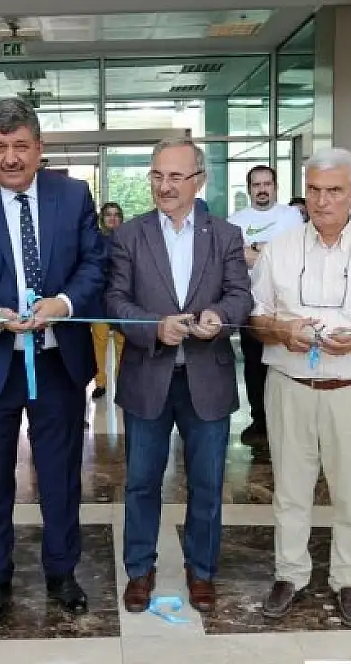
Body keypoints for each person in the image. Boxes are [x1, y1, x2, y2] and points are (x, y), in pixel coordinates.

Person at [0, 97, 105, 624]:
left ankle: (62, 571)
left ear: (39, 147)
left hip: (57, 362)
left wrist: (64, 304)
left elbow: (94, 263)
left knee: (60, 474)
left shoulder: (73, 195)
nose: (10, 158)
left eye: (20, 146)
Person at [248, 148, 351, 626]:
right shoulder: (278, 249)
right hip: (289, 387)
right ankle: (290, 574)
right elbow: (256, 318)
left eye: (335, 191)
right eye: (314, 190)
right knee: (290, 491)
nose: (322, 201)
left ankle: (349, 580)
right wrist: (282, 331)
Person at [104, 137, 252, 614]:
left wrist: (218, 316)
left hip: (207, 379)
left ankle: (201, 570)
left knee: (207, 483)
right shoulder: (130, 235)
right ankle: (139, 570)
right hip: (148, 377)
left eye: (175, 176)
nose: (164, 186)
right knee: (141, 482)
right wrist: (154, 327)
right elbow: (115, 301)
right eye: (157, 175)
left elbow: (241, 296)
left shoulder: (225, 235)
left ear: (199, 181)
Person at [228, 166, 304, 447]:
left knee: (285, 362)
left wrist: (257, 249)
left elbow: (295, 255)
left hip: (287, 305)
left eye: (267, 184)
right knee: (254, 364)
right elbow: (236, 259)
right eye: (256, 184)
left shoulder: (291, 216)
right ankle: (259, 419)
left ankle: (287, 421)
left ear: (275, 187)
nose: (262, 189)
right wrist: (272, 251)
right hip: (251, 304)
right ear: (249, 188)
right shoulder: (236, 221)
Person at [92, 201, 126, 399]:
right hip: (99, 300)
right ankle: (100, 382)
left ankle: (122, 383)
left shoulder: (128, 239)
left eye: (116, 214)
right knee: (99, 342)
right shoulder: (95, 241)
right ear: (102, 219)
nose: (112, 218)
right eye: (108, 215)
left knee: (123, 343)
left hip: (122, 300)